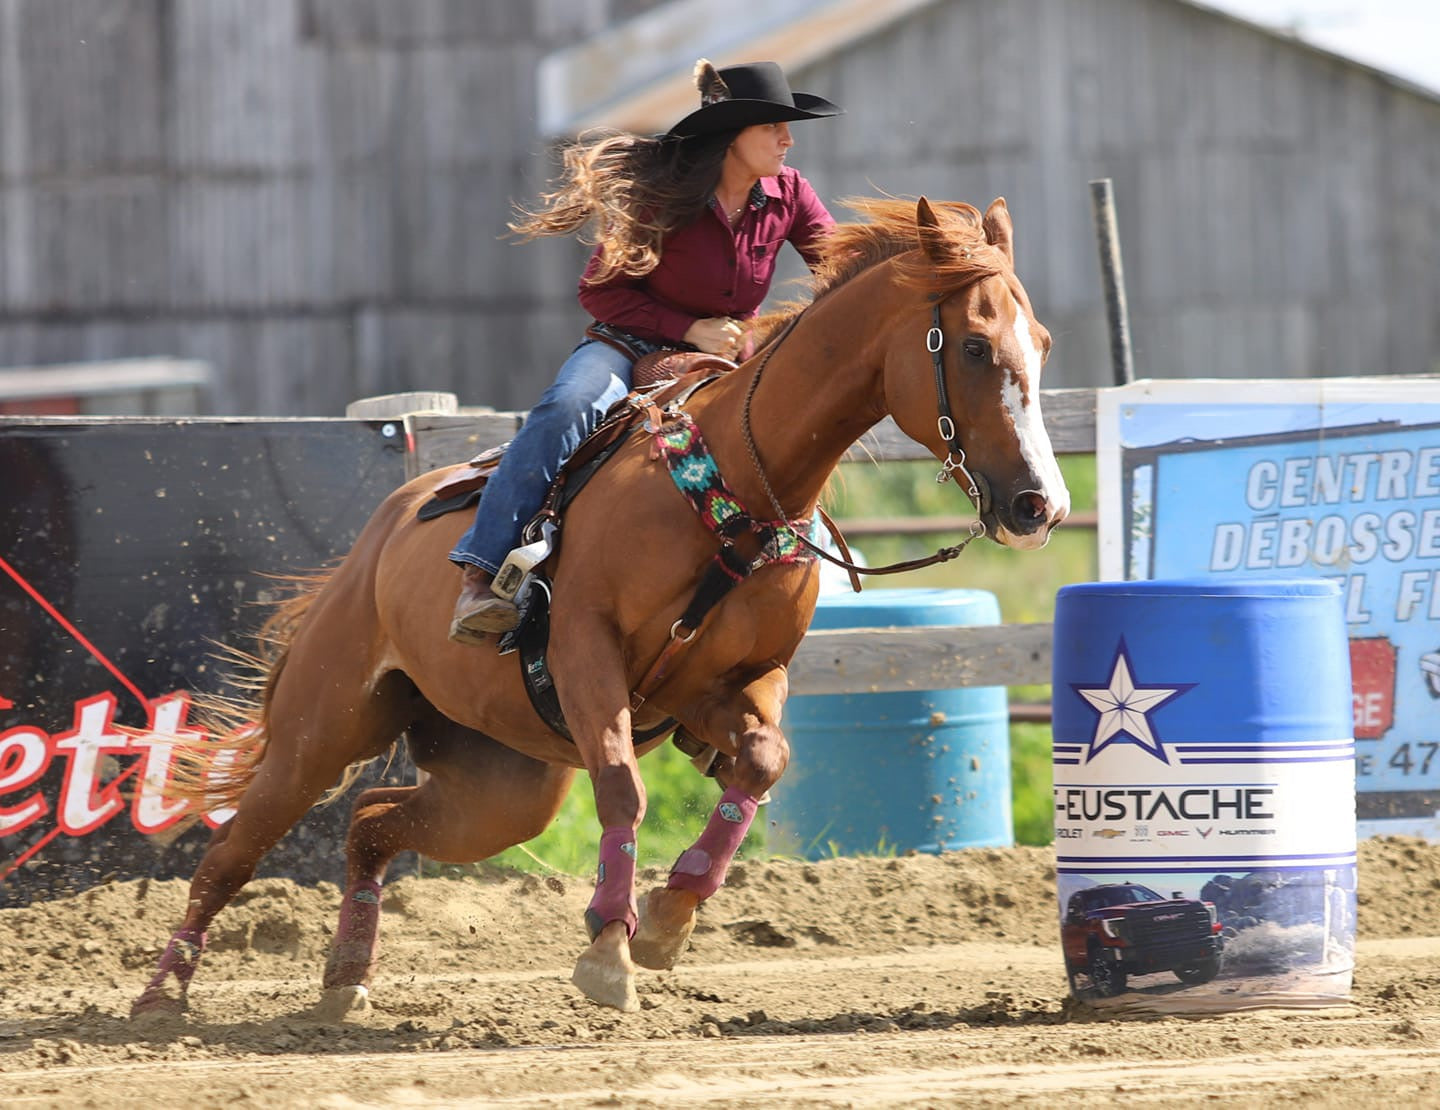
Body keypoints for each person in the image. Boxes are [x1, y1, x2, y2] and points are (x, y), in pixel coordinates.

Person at [449, 59, 843, 642]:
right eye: (772, 127)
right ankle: (481, 579)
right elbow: (599, 293)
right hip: (626, 344)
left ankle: (793, 572)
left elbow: (839, 272)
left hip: (732, 352)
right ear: (732, 137)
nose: (788, 139)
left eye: (787, 128)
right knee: (565, 408)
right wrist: (691, 330)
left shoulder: (790, 192)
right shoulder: (661, 194)